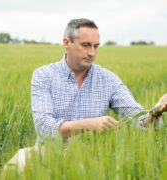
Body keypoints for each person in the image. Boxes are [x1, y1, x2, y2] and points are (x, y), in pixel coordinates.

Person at [31, 18, 167, 140]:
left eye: (95, 46)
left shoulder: (108, 80)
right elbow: (44, 128)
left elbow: (139, 122)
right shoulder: (43, 76)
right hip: (45, 156)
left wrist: (155, 111)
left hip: (93, 159)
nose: (92, 53)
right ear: (67, 42)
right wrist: (89, 124)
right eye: (85, 45)